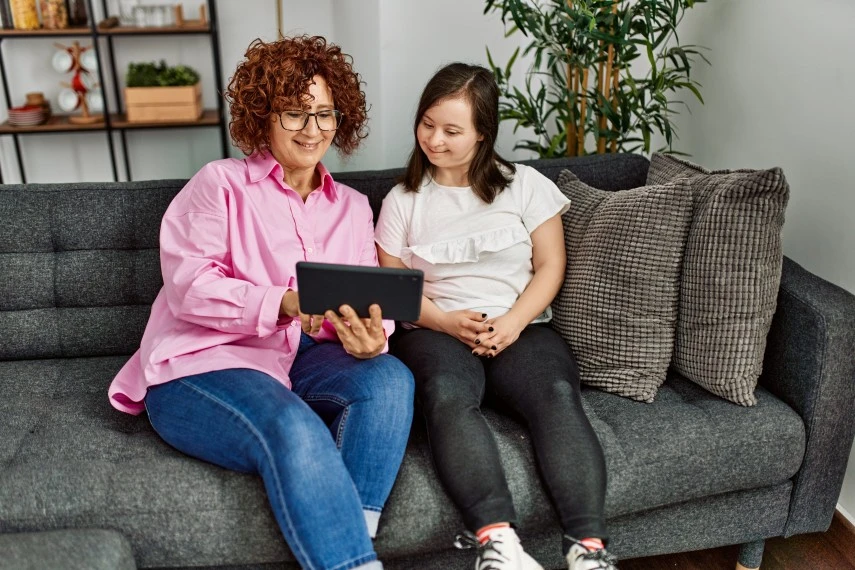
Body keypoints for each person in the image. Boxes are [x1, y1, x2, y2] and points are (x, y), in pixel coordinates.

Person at [108, 36, 414, 570]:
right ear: (263, 115)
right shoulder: (219, 185)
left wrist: (372, 334)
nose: (312, 129)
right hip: (201, 362)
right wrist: (285, 302)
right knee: (292, 424)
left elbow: (370, 297)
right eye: (296, 113)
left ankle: (349, 535)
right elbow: (190, 286)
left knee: (391, 379)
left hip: (300, 358)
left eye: (324, 114)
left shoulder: (354, 208)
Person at [375, 63, 616, 570]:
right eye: (427, 124)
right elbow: (394, 288)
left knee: (554, 395)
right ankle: (497, 543)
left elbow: (551, 266)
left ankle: (588, 550)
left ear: (483, 134)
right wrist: (445, 322)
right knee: (447, 397)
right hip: (435, 330)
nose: (433, 140)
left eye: (452, 130)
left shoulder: (525, 185)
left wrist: (513, 323)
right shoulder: (402, 201)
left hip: (522, 326)